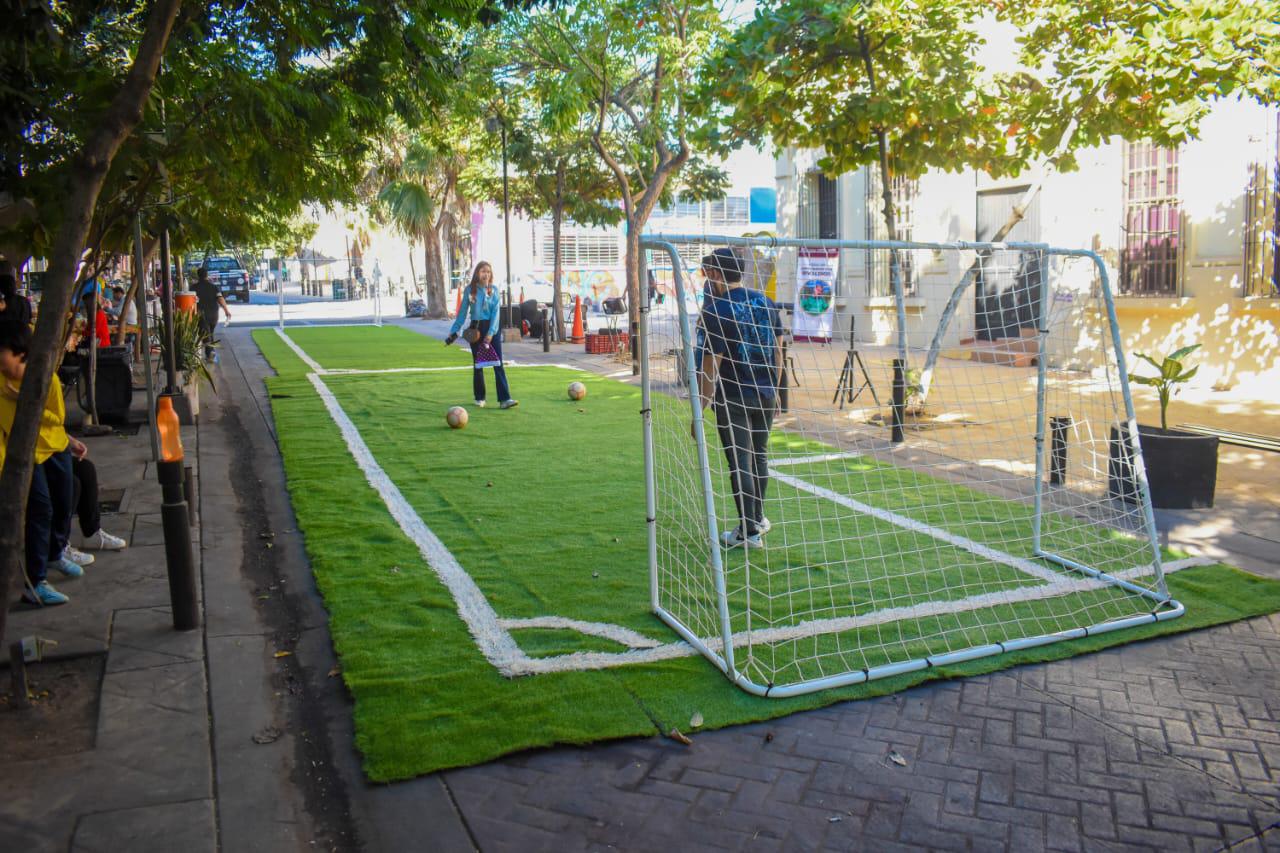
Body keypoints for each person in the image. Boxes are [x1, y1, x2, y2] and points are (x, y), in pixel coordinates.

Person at [693, 248, 783, 549]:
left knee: (740, 461)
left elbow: (710, 365)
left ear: (716, 274)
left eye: (707, 274)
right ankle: (756, 521)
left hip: (735, 397)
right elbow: (778, 351)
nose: (707, 281)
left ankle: (749, 532)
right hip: (766, 394)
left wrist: (700, 408)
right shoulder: (767, 303)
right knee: (759, 456)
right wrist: (777, 391)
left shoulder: (715, 311)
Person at [0, 317, 92, 606]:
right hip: (25, 456)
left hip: (54, 447)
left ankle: (56, 553)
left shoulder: (45, 379)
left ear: (18, 351)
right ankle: (36, 580)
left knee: (64, 501)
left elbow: (58, 419)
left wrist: (28, 402)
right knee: (41, 508)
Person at [445, 261, 519, 410]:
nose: (486, 274)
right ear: (477, 273)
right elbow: (462, 314)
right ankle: (480, 397)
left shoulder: (494, 290)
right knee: (478, 365)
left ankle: (505, 399)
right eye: (483, 271)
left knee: (498, 364)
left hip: (492, 329)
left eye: (488, 272)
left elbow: (496, 314)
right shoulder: (470, 291)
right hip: (475, 330)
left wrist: (491, 333)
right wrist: (453, 333)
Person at [194, 268, 231, 360]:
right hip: (214, 314)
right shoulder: (213, 287)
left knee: (206, 334)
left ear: (198, 276)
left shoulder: (193, 287)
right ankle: (210, 352)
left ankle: (210, 352)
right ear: (207, 275)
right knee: (209, 333)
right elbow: (220, 298)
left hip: (201, 314)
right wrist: (226, 310)